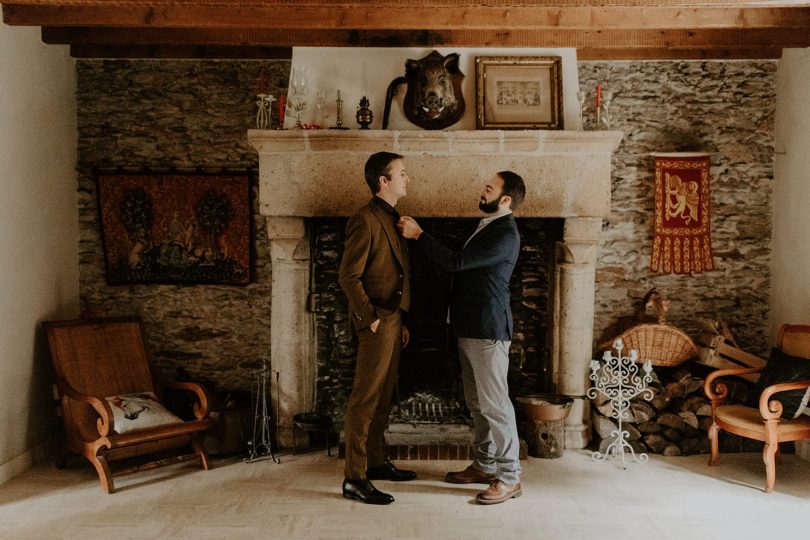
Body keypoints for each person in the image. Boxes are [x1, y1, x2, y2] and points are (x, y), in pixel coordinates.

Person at [397, 170, 526, 505]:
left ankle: (510, 477)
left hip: (488, 330)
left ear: (506, 199)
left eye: (490, 188)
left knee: (495, 405)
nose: (483, 191)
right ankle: (484, 465)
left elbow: (456, 262)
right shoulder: (488, 225)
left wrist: (419, 235)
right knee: (477, 403)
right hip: (470, 329)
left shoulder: (505, 233)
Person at [338, 151, 416, 505]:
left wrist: (401, 318)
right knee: (365, 399)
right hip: (376, 321)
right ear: (383, 181)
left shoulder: (394, 218)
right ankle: (354, 478)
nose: (407, 178)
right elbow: (348, 276)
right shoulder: (365, 219)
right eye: (401, 173)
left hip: (393, 320)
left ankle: (378, 462)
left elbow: (397, 273)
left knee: (384, 396)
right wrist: (369, 317)